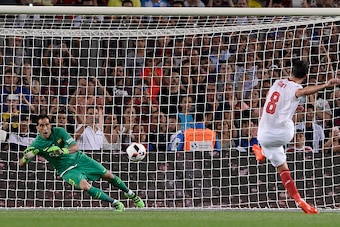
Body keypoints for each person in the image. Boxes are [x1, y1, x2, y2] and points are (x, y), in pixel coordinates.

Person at [253, 60, 340, 214]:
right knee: (291, 125)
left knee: (283, 168)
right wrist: (326, 85)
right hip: (282, 134)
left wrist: (291, 106)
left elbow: (272, 98)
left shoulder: (277, 82)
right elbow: (303, 92)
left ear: (291, 72)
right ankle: (263, 153)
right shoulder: (297, 88)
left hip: (262, 133)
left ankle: (300, 200)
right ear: (305, 76)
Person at [18, 114, 144, 211]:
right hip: (66, 170)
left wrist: (62, 151)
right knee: (85, 186)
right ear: (37, 128)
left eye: (47, 125)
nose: (45, 128)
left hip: (80, 159)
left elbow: (75, 147)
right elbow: (21, 164)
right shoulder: (36, 144)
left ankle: (132, 195)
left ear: (50, 125)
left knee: (108, 175)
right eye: (41, 126)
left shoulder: (60, 132)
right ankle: (115, 203)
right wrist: (26, 157)